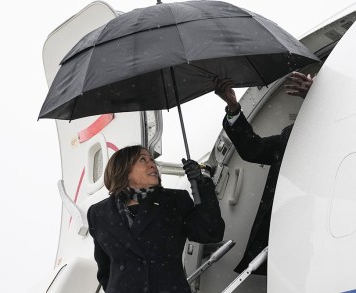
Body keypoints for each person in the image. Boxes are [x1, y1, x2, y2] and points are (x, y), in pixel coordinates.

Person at [213, 71, 314, 275]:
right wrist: (233, 108)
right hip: (291, 231)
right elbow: (253, 149)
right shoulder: (291, 135)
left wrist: (316, 101)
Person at [87, 145, 225, 293]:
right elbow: (105, 269)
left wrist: (201, 184)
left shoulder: (175, 200)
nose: (152, 164)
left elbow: (211, 231)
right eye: (142, 159)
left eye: (151, 159)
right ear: (123, 169)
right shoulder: (98, 213)